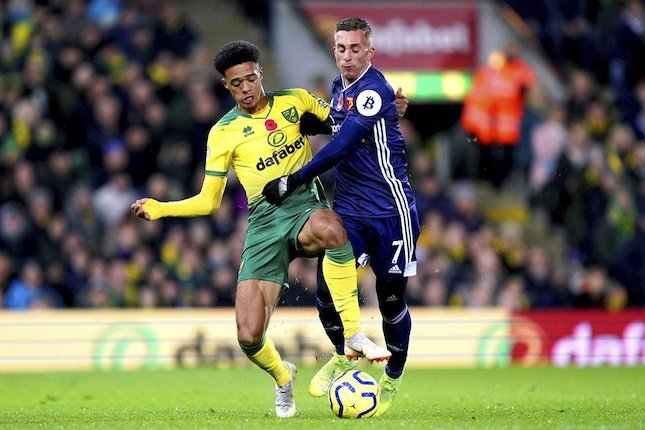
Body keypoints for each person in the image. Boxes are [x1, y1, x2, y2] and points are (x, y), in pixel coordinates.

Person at [130, 40, 392, 418]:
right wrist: (161, 208)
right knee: (249, 336)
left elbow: (345, 123)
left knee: (334, 229)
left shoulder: (296, 101)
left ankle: (351, 334)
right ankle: (283, 375)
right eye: (236, 84)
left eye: (250, 78)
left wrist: (386, 110)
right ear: (226, 85)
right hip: (263, 223)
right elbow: (209, 200)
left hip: (303, 205)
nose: (246, 88)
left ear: (260, 73)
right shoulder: (223, 132)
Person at [263, 17, 420, 416]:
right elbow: (331, 123)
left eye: (355, 49)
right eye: (340, 48)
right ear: (333, 50)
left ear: (370, 51)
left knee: (389, 302)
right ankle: (344, 354)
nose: (347, 56)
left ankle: (393, 380)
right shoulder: (340, 88)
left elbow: (342, 146)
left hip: (389, 211)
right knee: (326, 295)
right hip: (349, 209)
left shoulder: (374, 89)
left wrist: (292, 180)